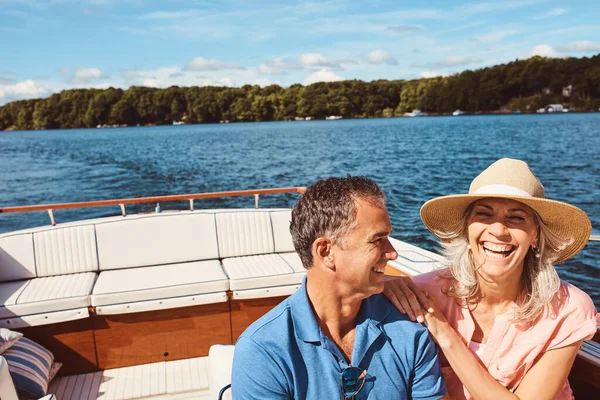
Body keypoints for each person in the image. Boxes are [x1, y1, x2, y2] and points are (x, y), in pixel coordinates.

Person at [383, 158, 599, 400]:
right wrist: (384, 285)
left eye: (516, 218)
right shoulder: (424, 291)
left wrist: (444, 332)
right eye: (484, 215)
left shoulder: (568, 309)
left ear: (536, 236)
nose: (498, 230)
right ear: (467, 230)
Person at [232, 176, 447, 399]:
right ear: (326, 252)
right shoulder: (263, 351)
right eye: (377, 240)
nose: (393, 253)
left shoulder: (410, 331)